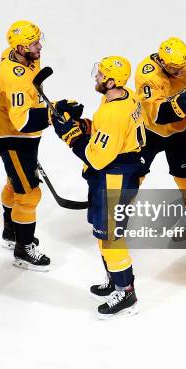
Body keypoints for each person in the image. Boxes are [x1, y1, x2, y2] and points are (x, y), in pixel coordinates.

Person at [52, 56, 145, 319]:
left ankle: (126, 292)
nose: (97, 77)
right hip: (118, 170)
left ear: (112, 81)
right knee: (104, 232)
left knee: (111, 237)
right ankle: (115, 279)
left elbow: (95, 156)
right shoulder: (126, 96)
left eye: (101, 75)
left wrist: (70, 134)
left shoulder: (111, 112)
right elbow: (110, 137)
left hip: (115, 176)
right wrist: (85, 127)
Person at [0, 20, 77, 270]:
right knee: (28, 193)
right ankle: (23, 249)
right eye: (34, 43)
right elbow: (23, 121)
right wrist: (52, 113)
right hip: (12, 137)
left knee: (14, 182)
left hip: (16, 132)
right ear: (21, 48)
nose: (40, 46)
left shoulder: (19, 56)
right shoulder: (14, 78)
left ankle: (11, 231)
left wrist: (55, 105)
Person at [134, 37, 186, 249]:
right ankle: (113, 219)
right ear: (163, 64)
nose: (182, 73)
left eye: (184, 68)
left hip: (181, 131)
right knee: (132, 177)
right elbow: (157, 114)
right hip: (150, 132)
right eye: (176, 69)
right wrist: (182, 104)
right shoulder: (147, 74)